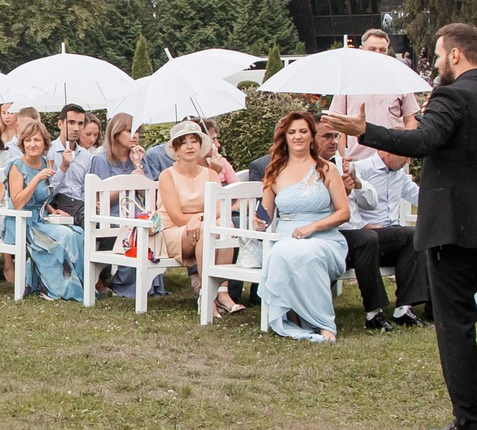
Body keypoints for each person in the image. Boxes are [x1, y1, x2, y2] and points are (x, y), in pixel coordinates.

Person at [332, 23, 477, 430]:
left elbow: (424, 140)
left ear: (454, 54)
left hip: (453, 227)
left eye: (436, 53)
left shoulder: (452, 95)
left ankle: (469, 420)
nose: (433, 61)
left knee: (456, 323)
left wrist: (365, 132)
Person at [252, 109, 350, 342]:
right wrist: (258, 222)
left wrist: (313, 228)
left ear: (311, 136)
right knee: (287, 250)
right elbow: (265, 214)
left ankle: (322, 323)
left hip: (324, 239)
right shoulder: (274, 171)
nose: (297, 136)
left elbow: (344, 212)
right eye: (292, 132)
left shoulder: (326, 169)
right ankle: (295, 315)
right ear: (284, 137)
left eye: (303, 131)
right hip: (286, 237)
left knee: (307, 252)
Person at [323, 123, 427, 330]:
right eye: (405, 155)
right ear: (386, 150)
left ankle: (404, 307)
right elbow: (353, 206)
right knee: (403, 235)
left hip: (386, 236)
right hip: (361, 236)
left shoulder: (399, 175)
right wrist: (364, 224)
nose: (408, 160)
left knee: (415, 237)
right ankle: (377, 312)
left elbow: (421, 197)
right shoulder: (359, 168)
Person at [156, 122, 241, 309]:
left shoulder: (211, 174)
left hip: (202, 227)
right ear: (176, 150)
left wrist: (200, 216)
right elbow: (177, 217)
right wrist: (200, 220)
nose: (189, 146)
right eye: (183, 142)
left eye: (194, 141)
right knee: (208, 229)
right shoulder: (167, 175)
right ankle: (208, 297)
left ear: (201, 146)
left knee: (226, 225)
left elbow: (221, 208)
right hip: (174, 232)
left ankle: (221, 292)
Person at [6, 120, 85, 302]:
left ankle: (78, 283)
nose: (32, 144)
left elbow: (44, 196)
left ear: (44, 144)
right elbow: (17, 203)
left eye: (37, 140)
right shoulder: (17, 166)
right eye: (28, 141)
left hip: (41, 218)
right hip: (22, 222)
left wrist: (52, 209)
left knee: (76, 233)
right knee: (61, 239)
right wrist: (35, 180)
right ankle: (58, 288)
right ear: (22, 144)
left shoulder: (43, 162)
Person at [84, 113, 154, 302]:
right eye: (129, 130)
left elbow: (144, 195)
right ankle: (122, 284)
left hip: (136, 213)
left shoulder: (137, 159)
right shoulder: (101, 160)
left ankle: (145, 282)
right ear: (115, 134)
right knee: (132, 231)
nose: (135, 135)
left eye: (137, 131)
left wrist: (139, 173)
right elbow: (100, 200)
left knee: (153, 229)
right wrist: (128, 180)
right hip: (111, 215)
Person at [328, 27, 423, 132]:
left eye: (382, 50)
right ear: (361, 50)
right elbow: (337, 119)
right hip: (358, 148)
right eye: (372, 49)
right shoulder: (347, 81)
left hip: (393, 147)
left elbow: (410, 119)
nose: (377, 53)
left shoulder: (400, 81)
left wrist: (407, 145)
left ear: (387, 51)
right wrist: (343, 148)